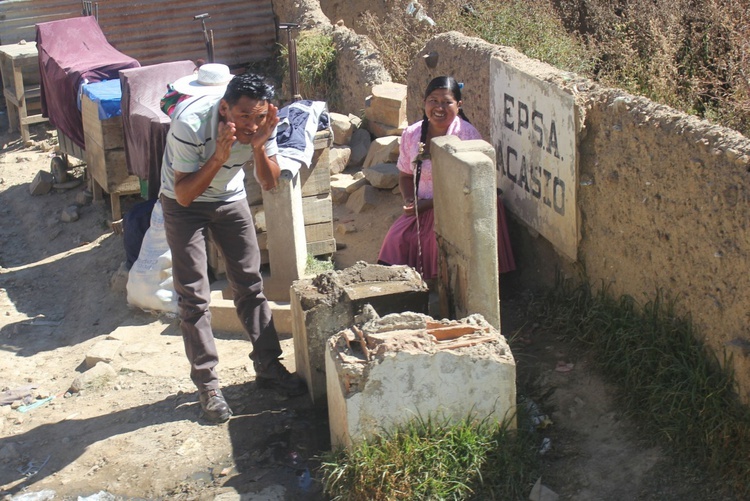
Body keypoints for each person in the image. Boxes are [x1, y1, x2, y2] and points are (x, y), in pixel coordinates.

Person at [159, 65, 306, 423]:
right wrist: (220, 158)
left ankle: (269, 367)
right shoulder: (190, 123)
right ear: (225, 109)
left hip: (229, 198)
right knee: (194, 295)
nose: (251, 125)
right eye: (243, 116)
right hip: (184, 204)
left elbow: (270, 183)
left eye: (258, 116)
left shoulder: (263, 121)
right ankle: (208, 387)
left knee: (250, 284)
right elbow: (184, 194)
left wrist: (258, 148)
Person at [378, 76, 514, 280]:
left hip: (460, 208)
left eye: (446, 102)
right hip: (422, 208)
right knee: (396, 240)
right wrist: (409, 200)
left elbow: (472, 188)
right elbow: (406, 175)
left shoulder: (467, 137)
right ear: (424, 103)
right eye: (433, 100)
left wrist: (425, 206)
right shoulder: (412, 134)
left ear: (458, 105)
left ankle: (441, 293)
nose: (439, 107)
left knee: (438, 244)